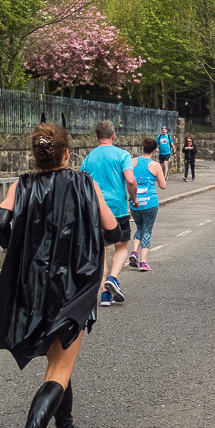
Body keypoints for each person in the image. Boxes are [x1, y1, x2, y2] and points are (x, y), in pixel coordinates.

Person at [0, 123, 120, 428]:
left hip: (31, 287)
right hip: (73, 288)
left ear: (36, 155)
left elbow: (0, 220)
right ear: (66, 153)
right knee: (61, 366)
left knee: (61, 362)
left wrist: (14, 239)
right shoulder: (83, 182)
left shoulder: (21, 184)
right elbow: (113, 230)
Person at [80, 120, 138, 306]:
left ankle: (104, 295)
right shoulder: (123, 155)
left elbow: (82, 183)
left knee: (101, 250)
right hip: (117, 208)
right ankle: (113, 278)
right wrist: (134, 197)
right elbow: (130, 178)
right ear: (113, 136)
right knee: (121, 246)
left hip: (95, 209)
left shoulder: (88, 158)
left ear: (97, 136)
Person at [130, 137, 166, 271]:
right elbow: (163, 185)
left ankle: (134, 252)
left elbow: (127, 179)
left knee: (139, 227)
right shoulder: (155, 165)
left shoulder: (133, 161)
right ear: (155, 150)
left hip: (135, 201)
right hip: (150, 202)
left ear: (143, 148)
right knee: (147, 230)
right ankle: (143, 262)